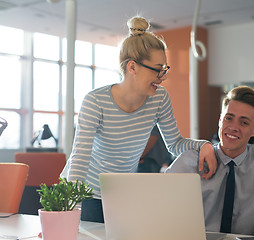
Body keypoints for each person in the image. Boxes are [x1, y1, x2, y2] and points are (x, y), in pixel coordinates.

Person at [60, 16, 217, 223]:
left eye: (165, 69)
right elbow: (79, 159)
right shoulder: (95, 101)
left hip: (123, 192)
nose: (163, 77)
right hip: (85, 193)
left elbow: (175, 144)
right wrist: (71, 212)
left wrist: (204, 145)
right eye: (157, 69)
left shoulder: (159, 98)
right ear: (132, 67)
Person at [166, 86, 254, 239]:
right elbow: (159, 211)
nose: (234, 127)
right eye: (229, 118)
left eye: (244, 122)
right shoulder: (188, 161)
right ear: (220, 120)